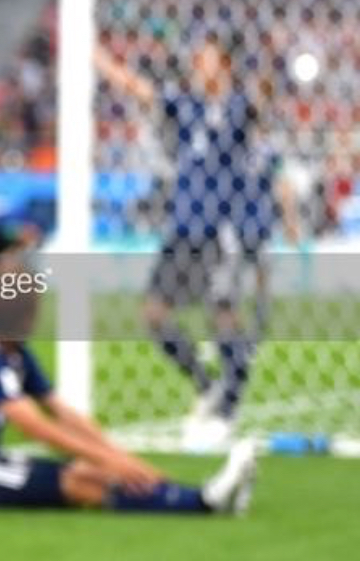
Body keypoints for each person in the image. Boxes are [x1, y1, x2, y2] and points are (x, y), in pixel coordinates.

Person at [0, 289, 258, 515]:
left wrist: (119, 457)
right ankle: (201, 502)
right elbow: (38, 428)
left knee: (87, 470)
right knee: (78, 482)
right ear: (25, 317)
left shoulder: (15, 354)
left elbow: (64, 414)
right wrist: (112, 461)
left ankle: (197, 496)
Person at [95, 35, 267, 448]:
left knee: (223, 315)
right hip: (183, 228)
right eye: (197, 59)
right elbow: (139, 89)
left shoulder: (238, 107)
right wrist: (98, 58)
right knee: (153, 314)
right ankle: (207, 384)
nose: (198, 66)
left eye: (207, 59)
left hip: (220, 229)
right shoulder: (185, 105)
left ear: (224, 65)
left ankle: (228, 407)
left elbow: (262, 100)